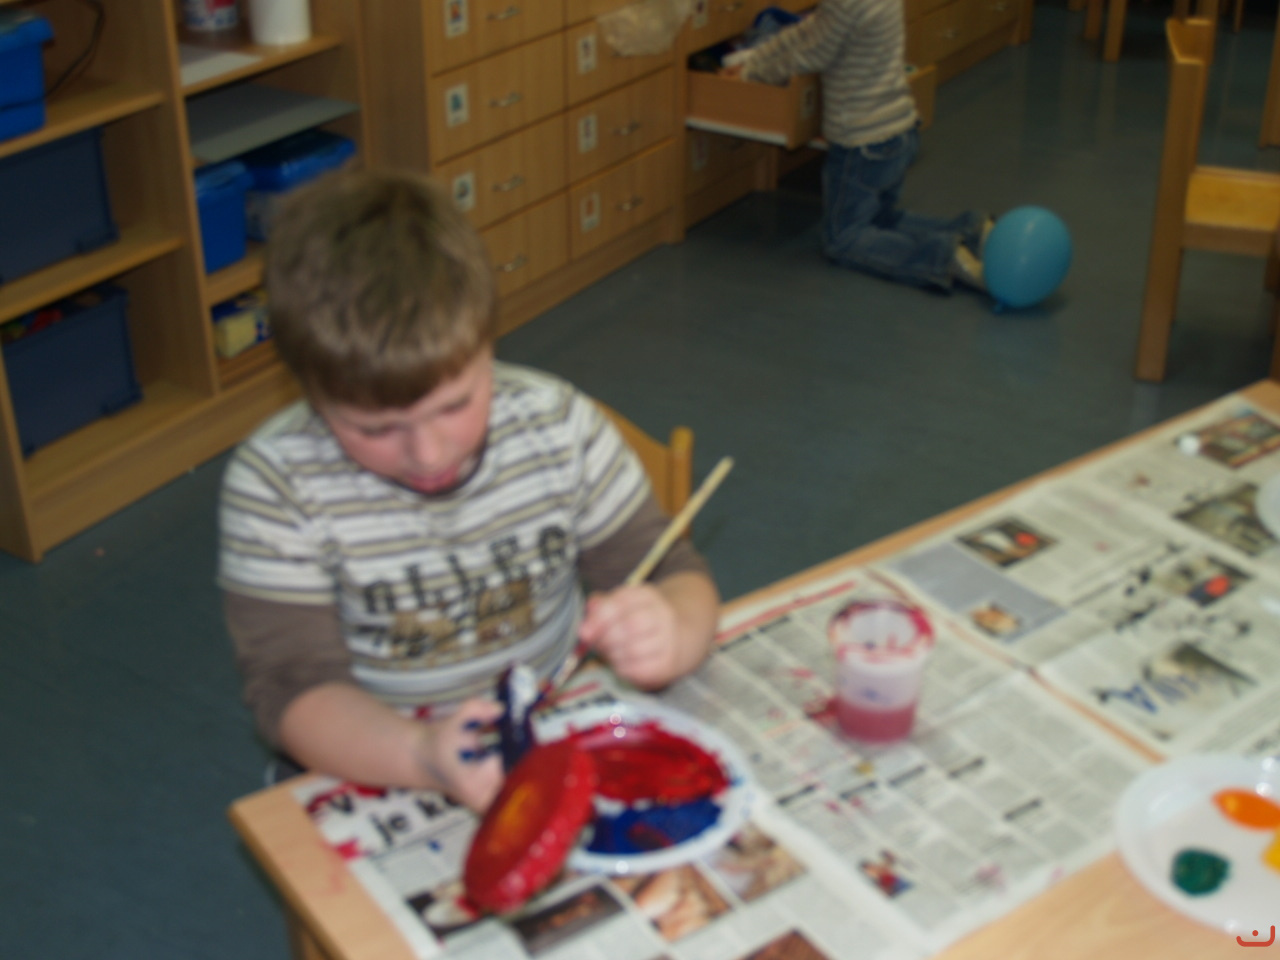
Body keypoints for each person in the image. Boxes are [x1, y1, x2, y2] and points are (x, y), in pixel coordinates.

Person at [218, 170, 720, 813]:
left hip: (547, 733)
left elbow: (676, 573)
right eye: (375, 428)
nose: (430, 454)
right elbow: (293, 691)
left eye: (455, 405)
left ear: (487, 344)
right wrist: (420, 754)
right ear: (308, 392)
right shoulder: (276, 487)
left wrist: (674, 631)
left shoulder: (558, 428)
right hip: (377, 759)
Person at [721, 1, 991, 293]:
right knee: (880, 220)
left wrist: (752, 73)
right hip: (898, 130)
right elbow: (812, 30)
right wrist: (756, 58)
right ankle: (971, 231)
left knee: (844, 239)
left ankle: (941, 257)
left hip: (863, 144)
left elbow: (812, 52)